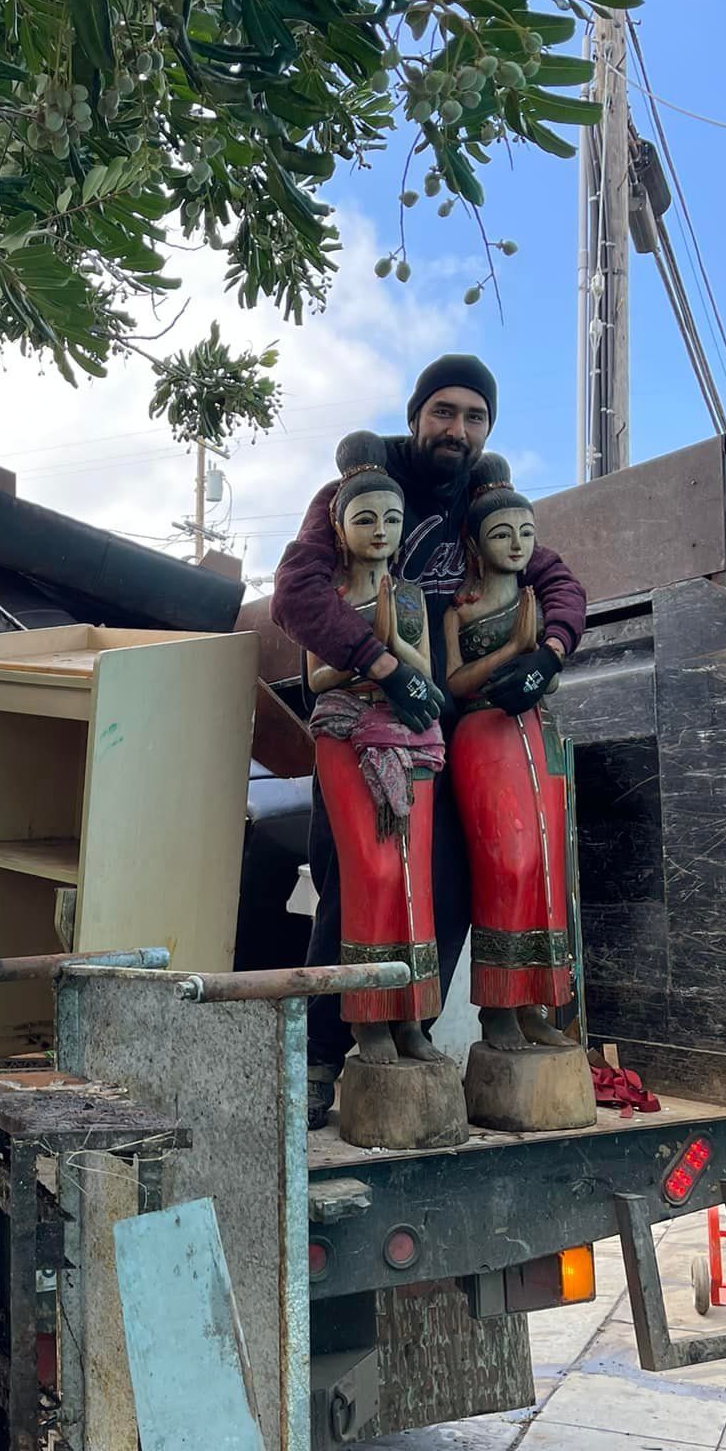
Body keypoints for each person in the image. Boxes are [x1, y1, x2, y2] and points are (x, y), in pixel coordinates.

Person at [272, 353, 587, 1126]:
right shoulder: (351, 496)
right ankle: (320, 1060)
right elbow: (298, 592)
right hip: (367, 722)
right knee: (356, 881)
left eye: (475, 416)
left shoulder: (485, 505)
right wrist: (378, 660)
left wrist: (548, 655)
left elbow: (559, 584)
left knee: (446, 888)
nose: (457, 428)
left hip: (457, 729)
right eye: (443, 411)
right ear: (417, 415)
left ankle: (408, 1031)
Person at [305, 432, 448, 1067]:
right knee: (372, 873)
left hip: (409, 738)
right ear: (340, 528)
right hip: (345, 736)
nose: (382, 530)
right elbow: (316, 678)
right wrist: (374, 659)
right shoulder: (328, 601)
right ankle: (368, 1021)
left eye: (392, 519)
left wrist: (394, 646)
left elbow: (428, 672)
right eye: (366, 519)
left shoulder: (412, 595)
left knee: (415, 874)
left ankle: (414, 1016)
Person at [443, 456, 576, 1056]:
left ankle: (536, 1003)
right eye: (502, 534)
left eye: (526, 533)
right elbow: (455, 683)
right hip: (483, 739)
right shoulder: (460, 609)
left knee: (547, 868)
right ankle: (497, 1009)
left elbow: (547, 679)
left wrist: (541, 659)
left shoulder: (539, 601)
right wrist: (514, 651)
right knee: (507, 866)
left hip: (536, 736)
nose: (517, 545)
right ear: (474, 543)